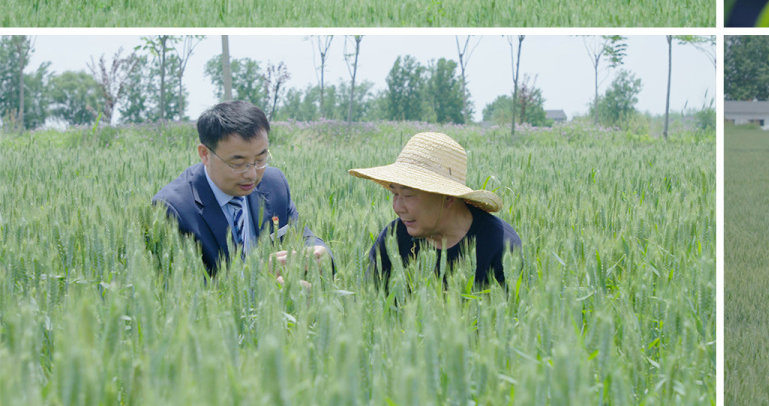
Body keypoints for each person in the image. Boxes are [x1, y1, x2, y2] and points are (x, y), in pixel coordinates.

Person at [151, 101, 330, 277]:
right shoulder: (174, 208)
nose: (252, 174)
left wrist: (320, 255)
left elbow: (303, 237)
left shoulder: (274, 184)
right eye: (238, 163)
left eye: (260, 159)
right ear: (205, 154)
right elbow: (182, 289)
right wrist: (256, 277)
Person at [350, 132, 521, 291]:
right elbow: (368, 303)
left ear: (447, 197)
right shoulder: (394, 238)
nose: (397, 207)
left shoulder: (501, 247)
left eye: (408, 195)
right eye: (394, 193)